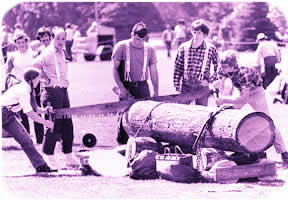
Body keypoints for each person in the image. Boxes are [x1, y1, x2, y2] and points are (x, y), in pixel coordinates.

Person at [214, 49, 288, 163]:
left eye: (224, 66)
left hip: (256, 92)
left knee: (266, 121)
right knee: (230, 117)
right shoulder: (223, 67)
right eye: (221, 66)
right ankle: (239, 149)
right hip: (240, 90)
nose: (222, 68)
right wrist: (217, 84)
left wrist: (224, 99)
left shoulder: (244, 72)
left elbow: (244, 98)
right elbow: (220, 79)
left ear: (232, 65)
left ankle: (283, 152)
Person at [32, 27, 79, 169]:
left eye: (63, 38)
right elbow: (35, 65)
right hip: (51, 93)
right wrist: (46, 79)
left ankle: (69, 155)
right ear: (52, 38)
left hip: (63, 92)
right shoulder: (47, 52)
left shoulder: (62, 52)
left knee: (67, 124)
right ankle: (48, 156)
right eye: (58, 38)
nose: (60, 41)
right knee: (53, 125)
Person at [1, 67, 57, 173]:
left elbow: (34, 109)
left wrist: (44, 111)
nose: (39, 81)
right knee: (26, 140)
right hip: (3, 113)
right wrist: (46, 123)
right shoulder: (23, 91)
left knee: (26, 140)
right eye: (37, 78)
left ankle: (41, 166)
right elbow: (30, 114)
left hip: (8, 114)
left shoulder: (27, 88)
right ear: (31, 79)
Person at [112, 21, 159, 144]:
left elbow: (153, 71)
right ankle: (122, 146)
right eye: (136, 39)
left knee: (145, 118)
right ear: (132, 34)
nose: (138, 42)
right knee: (124, 119)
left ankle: (143, 146)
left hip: (143, 87)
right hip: (127, 86)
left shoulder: (150, 49)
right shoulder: (121, 47)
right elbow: (115, 69)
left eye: (141, 40)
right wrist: (121, 88)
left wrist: (156, 91)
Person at [173, 19, 219, 106]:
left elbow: (219, 67)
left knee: (202, 114)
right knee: (182, 111)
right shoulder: (183, 47)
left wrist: (209, 81)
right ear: (191, 32)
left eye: (199, 33)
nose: (196, 35)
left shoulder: (210, 48)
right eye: (194, 32)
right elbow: (177, 67)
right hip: (186, 86)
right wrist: (177, 85)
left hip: (202, 87)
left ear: (204, 34)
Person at [6, 31, 38, 136]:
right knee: (24, 114)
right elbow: (7, 73)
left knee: (36, 110)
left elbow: (39, 70)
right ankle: (27, 137)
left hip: (34, 87)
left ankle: (40, 139)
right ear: (15, 43)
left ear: (26, 42)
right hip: (20, 88)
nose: (21, 44)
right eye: (18, 42)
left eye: (23, 41)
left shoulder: (33, 54)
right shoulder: (12, 56)